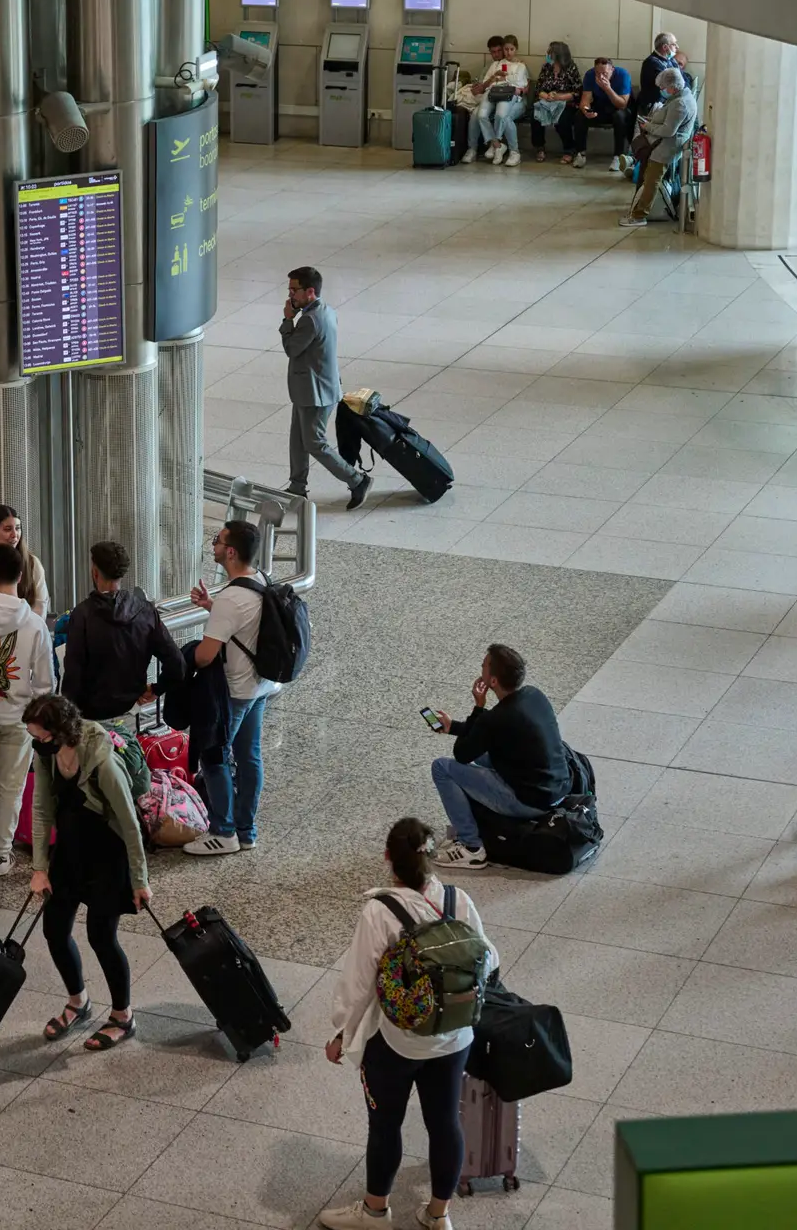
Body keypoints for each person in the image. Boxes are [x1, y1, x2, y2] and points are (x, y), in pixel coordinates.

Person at [318, 818, 497, 1230]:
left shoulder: (380, 911)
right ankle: (438, 1215)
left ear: (387, 858)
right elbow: (488, 959)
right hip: (454, 1038)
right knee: (445, 1123)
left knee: (385, 1125)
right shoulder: (457, 899)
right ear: (431, 856)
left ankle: (375, 1212)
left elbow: (360, 983)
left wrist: (342, 1034)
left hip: (397, 1041)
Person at [24, 693, 149, 1051]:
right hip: (70, 853)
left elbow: (129, 825)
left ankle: (123, 1017)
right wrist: (39, 868)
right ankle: (78, 1002)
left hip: (108, 857)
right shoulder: (47, 756)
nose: (37, 743)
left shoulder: (101, 762)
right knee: (54, 930)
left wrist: (140, 881)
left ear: (61, 731)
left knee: (101, 937)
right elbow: (42, 810)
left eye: (42, 736)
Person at [427, 643, 570, 869]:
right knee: (483, 753)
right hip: (557, 789)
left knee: (442, 768)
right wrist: (452, 726)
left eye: (484, 665)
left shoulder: (494, 718)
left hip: (529, 802)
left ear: (492, 681)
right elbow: (487, 734)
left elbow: (462, 754)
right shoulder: (534, 695)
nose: (480, 668)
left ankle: (470, 847)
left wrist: (478, 706)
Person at [183, 520, 275, 857]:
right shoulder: (261, 580)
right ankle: (246, 831)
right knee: (249, 757)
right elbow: (246, 627)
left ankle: (223, 832)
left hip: (235, 691)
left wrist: (185, 656)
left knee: (214, 755)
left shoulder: (231, 598)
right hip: (261, 687)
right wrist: (211, 608)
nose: (214, 545)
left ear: (231, 551)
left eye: (218, 541)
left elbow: (206, 656)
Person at [0, 541, 55, 876]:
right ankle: (2, 854)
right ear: (21, 576)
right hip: (19, 717)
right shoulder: (34, 625)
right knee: (10, 786)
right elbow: (46, 684)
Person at [61, 540, 184, 723]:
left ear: (95, 573)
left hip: (90, 717)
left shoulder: (83, 615)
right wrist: (157, 689)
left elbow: (73, 675)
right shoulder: (146, 611)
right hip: (131, 711)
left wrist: (67, 717)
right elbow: (177, 664)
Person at [282, 266, 371, 510]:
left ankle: (357, 480)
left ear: (310, 291)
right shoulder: (326, 310)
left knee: (314, 442)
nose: (290, 295)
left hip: (315, 392)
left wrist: (287, 321)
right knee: (298, 440)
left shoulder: (309, 320)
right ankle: (297, 487)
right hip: (312, 387)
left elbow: (291, 348)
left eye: (294, 290)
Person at [620, 68, 697, 229]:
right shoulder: (680, 97)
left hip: (665, 148)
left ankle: (639, 215)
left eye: (662, 88)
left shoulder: (680, 104)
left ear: (672, 87)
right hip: (662, 145)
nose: (661, 91)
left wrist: (648, 126)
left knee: (651, 181)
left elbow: (668, 130)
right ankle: (638, 207)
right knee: (649, 177)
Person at [460, 32, 528, 166]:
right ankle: (482, 147)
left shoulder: (520, 65)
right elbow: (482, 88)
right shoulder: (494, 66)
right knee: (476, 114)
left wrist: (507, 80)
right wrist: (493, 79)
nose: (498, 54)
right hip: (493, 95)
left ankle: (511, 150)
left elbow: (523, 88)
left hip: (510, 98)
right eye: (494, 52)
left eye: (500, 51)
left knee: (503, 116)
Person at [577, 56, 634, 173]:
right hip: (600, 107)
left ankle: (618, 156)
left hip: (618, 108)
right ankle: (580, 153)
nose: (601, 76)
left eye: (605, 73)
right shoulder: (590, 75)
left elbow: (622, 104)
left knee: (619, 117)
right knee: (579, 115)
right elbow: (585, 100)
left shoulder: (622, 75)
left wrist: (608, 89)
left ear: (612, 70)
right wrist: (586, 110)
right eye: (598, 73)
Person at [529, 41, 581, 164]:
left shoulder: (571, 68)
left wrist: (559, 97)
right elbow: (538, 89)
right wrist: (546, 96)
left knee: (562, 119)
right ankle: (539, 147)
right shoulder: (546, 67)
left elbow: (577, 92)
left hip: (565, 103)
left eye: (550, 52)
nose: (547, 55)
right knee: (535, 117)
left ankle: (569, 149)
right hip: (547, 102)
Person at [634, 32, 688, 122]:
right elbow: (670, 85)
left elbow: (683, 80)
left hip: (668, 103)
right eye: (674, 44)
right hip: (655, 106)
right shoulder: (652, 63)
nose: (677, 47)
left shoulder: (672, 60)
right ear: (665, 47)